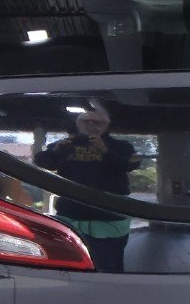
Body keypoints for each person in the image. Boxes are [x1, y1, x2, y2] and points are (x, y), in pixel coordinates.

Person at [34, 108, 140, 272]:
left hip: (108, 219)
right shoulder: (65, 145)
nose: (91, 125)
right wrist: (55, 152)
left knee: (109, 267)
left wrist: (106, 151)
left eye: (97, 122)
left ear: (106, 125)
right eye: (86, 121)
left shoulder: (121, 146)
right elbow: (41, 162)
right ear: (78, 124)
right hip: (70, 216)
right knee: (68, 267)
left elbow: (131, 165)